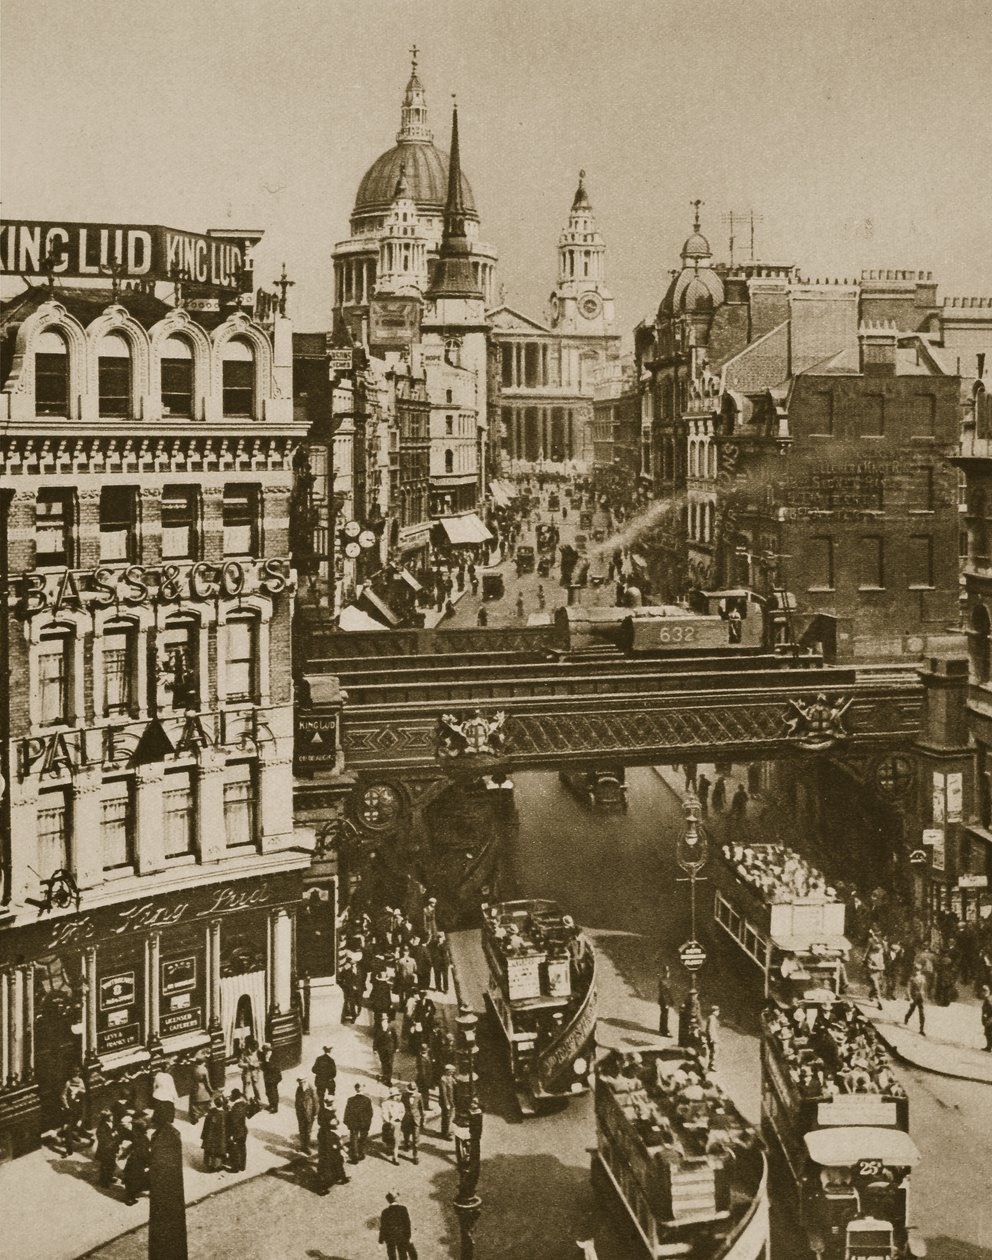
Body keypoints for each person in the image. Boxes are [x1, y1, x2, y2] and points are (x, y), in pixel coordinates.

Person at [316, 1111, 349, 1193]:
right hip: (328, 1155)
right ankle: (322, 1188)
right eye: (332, 1119)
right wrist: (340, 1147)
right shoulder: (325, 1133)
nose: (335, 1120)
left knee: (338, 1165)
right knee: (325, 1171)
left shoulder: (329, 1129)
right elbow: (331, 1144)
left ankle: (342, 1177)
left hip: (334, 1153)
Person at [58, 1069, 88, 1155]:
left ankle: (86, 1138)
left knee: (75, 1127)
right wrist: (66, 1107)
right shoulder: (68, 1083)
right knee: (68, 1129)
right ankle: (69, 1150)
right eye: (74, 1072)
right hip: (69, 1111)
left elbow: (83, 1102)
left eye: (78, 1072)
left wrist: (81, 1118)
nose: (76, 1074)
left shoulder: (81, 1086)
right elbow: (63, 1096)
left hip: (77, 1112)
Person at [121, 1117, 151, 1204]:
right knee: (135, 1179)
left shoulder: (136, 1136)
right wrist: (149, 1162)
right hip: (138, 1162)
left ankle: (129, 1196)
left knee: (130, 1179)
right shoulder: (143, 1139)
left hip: (133, 1161)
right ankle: (130, 1198)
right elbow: (144, 1153)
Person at [378, 1190, 415, 1260]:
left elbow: (383, 1228)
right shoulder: (403, 1209)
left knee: (391, 1254)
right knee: (403, 1254)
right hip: (401, 1236)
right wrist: (409, 1237)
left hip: (390, 1237)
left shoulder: (385, 1212)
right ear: (396, 1198)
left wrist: (380, 1242)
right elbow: (407, 1224)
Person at [343, 1082, 373, 1163]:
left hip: (353, 1123)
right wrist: (368, 1123)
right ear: (363, 1089)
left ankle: (355, 1157)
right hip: (364, 1123)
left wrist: (347, 1122)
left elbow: (347, 1112)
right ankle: (360, 1153)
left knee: (354, 1139)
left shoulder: (350, 1100)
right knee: (362, 1138)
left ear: (355, 1089)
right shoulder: (367, 1100)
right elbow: (370, 1113)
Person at [201, 1094, 228, 1172]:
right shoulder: (225, 1114)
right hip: (221, 1137)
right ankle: (217, 1166)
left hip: (210, 1136)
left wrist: (204, 1136)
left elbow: (205, 1126)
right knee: (218, 1152)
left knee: (210, 1151)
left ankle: (209, 1166)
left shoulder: (211, 1112)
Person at [94, 1108, 120, 1187]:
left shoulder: (111, 1124)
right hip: (105, 1149)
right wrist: (112, 1135)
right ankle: (103, 1181)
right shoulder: (102, 1127)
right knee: (105, 1166)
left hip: (111, 1148)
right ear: (106, 1117)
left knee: (111, 1164)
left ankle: (109, 1177)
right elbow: (102, 1139)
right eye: (111, 1116)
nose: (112, 1117)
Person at [400, 1084, 424, 1163]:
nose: (411, 1093)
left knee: (416, 1137)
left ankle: (415, 1156)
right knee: (406, 1133)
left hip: (416, 1119)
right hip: (406, 1118)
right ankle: (406, 1144)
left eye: (413, 1092)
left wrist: (422, 1120)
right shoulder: (404, 1095)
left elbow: (421, 1108)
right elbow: (401, 1106)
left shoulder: (419, 1096)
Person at [226, 1089, 249, 1172]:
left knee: (234, 1149)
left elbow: (233, 1121)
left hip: (237, 1131)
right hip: (243, 1130)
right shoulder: (243, 1104)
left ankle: (235, 1167)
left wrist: (229, 1110)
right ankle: (242, 1166)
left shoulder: (236, 1107)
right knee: (242, 1148)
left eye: (232, 1095)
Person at [373, 1015, 399, 1087]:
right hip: (382, 1050)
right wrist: (375, 1049)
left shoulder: (391, 1028)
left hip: (390, 1050)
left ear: (387, 1021)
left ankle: (388, 1080)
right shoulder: (379, 1030)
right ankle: (385, 1076)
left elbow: (396, 1038)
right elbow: (376, 1040)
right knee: (384, 1064)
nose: (383, 1022)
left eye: (384, 1020)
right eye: (382, 1020)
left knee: (390, 1064)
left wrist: (397, 1047)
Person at [295, 1077, 318, 1154]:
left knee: (308, 1131)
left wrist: (315, 1113)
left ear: (305, 1081)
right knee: (301, 1130)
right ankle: (302, 1146)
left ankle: (307, 1147)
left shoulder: (311, 1089)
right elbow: (297, 1100)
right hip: (300, 1114)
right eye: (299, 1083)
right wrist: (297, 1111)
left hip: (309, 1114)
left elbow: (316, 1102)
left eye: (302, 1082)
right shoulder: (299, 1089)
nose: (300, 1084)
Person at [864, 932, 887, 1010]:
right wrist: (877, 968)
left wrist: (882, 966)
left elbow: (882, 963)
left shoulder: (880, 955)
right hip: (872, 974)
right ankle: (879, 1002)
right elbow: (869, 966)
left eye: (880, 950)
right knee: (876, 987)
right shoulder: (871, 956)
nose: (880, 951)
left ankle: (871, 995)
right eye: (878, 949)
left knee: (879, 987)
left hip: (879, 973)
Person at [189, 1052, 213, 1123]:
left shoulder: (193, 1069)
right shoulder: (204, 1070)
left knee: (194, 1104)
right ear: (203, 1062)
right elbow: (207, 1082)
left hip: (195, 1087)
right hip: (203, 1088)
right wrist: (210, 1090)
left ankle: (195, 1117)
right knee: (206, 1102)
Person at [381, 1092, 404, 1165]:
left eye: (398, 1095)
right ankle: (390, 1149)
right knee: (389, 1139)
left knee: (396, 1141)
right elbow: (384, 1113)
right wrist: (388, 1121)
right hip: (388, 1124)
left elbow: (402, 1112)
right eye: (396, 1095)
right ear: (392, 1096)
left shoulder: (400, 1104)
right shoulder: (385, 1104)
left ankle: (395, 1157)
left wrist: (399, 1118)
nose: (397, 1097)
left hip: (397, 1123)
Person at [904, 965, 927, 1035]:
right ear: (913, 970)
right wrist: (909, 997)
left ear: (920, 971)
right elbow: (907, 988)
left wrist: (925, 995)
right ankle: (906, 1017)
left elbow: (925, 986)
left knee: (922, 1013)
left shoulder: (923, 977)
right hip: (914, 997)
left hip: (921, 997)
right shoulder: (911, 978)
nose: (917, 972)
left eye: (918, 970)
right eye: (916, 970)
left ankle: (921, 1029)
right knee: (912, 1010)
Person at [238, 1039, 262, 1107]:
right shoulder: (244, 1054)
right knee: (246, 1086)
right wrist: (247, 1065)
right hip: (247, 1072)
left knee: (256, 1086)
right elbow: (239, 1064)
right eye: (251, 1049)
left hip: (255, 1072)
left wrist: (256, 1064)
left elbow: (261, 1062)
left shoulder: (258, 1053)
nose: (252, 1051)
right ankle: (246, 1101)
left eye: (254, 1049)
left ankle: (258, 1099)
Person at [438, 1062, 456, 1140]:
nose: (452, 1073)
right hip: (446, 1101)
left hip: (451, 1100)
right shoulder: (443, 1079)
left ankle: (445, 1131)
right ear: (447, 1071)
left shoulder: (450, 1077)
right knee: (447, 1117)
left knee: (448, 1117)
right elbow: (443, 1093)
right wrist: (447, 1103)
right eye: (451, 1071)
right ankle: (445, 1134)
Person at [657, 966, 675, 1037]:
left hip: (665, 1001)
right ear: (664, 972)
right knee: (665, 1015)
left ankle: (662, 1028)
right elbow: (664, 993)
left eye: (668, 972)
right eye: (667, 972)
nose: (668, 973)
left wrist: (671, 1001)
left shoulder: (666, 980)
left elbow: (668, 992)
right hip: (664, 1001)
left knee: (663, 1014)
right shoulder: (664, 981)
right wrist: (666, 1003)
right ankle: (665, 1031)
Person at [981, 985, 992, 1052]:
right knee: (987, 1033)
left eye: (984, 991)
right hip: (988, 1018)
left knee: (989, 1033)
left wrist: (989, 1018)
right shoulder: (988, 999)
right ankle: (988, 1047)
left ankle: (988, 1047)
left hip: (990, 1019)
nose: (982, 992)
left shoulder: (989, 999)